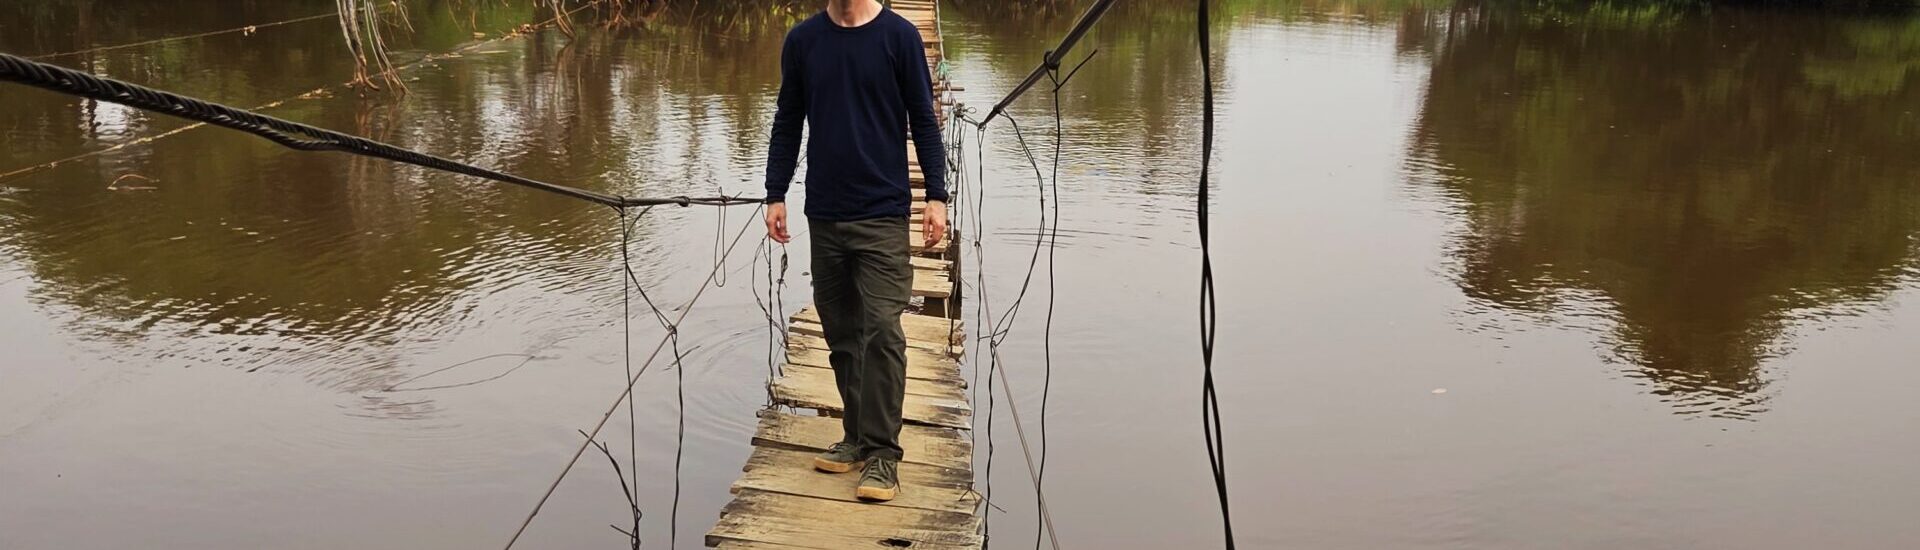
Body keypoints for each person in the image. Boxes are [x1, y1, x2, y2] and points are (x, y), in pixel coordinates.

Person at [762, 0, 947, 503]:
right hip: (824, 212)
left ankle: (884, 453)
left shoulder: (899, 37)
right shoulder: (803, 41)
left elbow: (924, 121)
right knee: (842, 333)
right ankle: (857, 437)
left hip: (883, 211)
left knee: (882, 331)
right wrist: (775, 192)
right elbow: (787, 121)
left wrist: (936, 196)